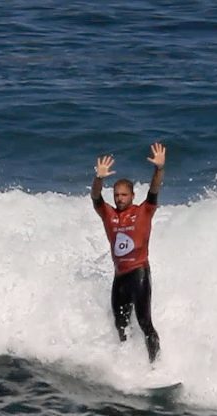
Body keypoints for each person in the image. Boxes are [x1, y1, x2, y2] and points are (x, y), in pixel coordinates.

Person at [91, 142, 165, 362]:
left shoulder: (144, 211)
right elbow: (95, 197)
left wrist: (159, 169)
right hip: (120, 277)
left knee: (144, 322)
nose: (119, 198)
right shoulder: (108, 215)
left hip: (139, 273)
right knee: (120, 325)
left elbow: (154, 189)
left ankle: (156, 365)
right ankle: (127, 364)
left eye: (124, 195)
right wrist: (99, 178)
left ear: (132, 196)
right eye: (116, 195)